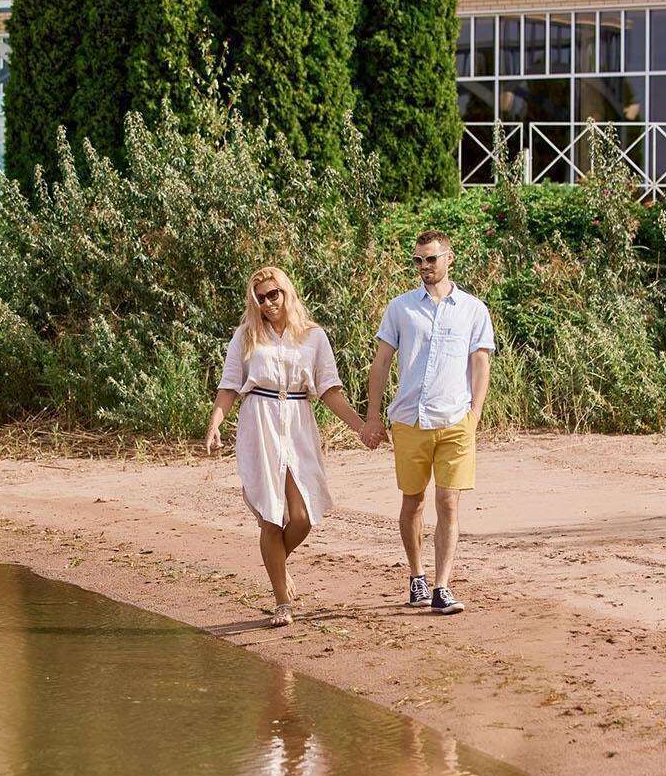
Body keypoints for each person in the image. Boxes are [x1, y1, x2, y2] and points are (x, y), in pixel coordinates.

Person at [204, 265, 366, 627]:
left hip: (297, 420)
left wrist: (360, 427)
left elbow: (329, 389)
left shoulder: (313, 336)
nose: (267, 303)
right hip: (258, 421)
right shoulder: (246, 335)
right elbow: (230, 384)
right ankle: (282, 602)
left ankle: (276, 563)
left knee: (302, 515)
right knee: (270, 516)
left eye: (273, 294)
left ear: (287, 293)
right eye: (260, 298)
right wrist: (215, 423)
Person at [360, 231, 495, 617]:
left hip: (455, 420)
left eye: (431, 259)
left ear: (449, 258)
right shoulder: (400, 308)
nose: (424, 267)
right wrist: (372, 416)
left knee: (448, 502)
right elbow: (382, 362)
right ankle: (417, 576)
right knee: (413, 501)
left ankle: (442, 586)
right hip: (409, 419)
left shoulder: (473, 309)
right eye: (418, 260)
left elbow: (481, 363)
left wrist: (475, 415)